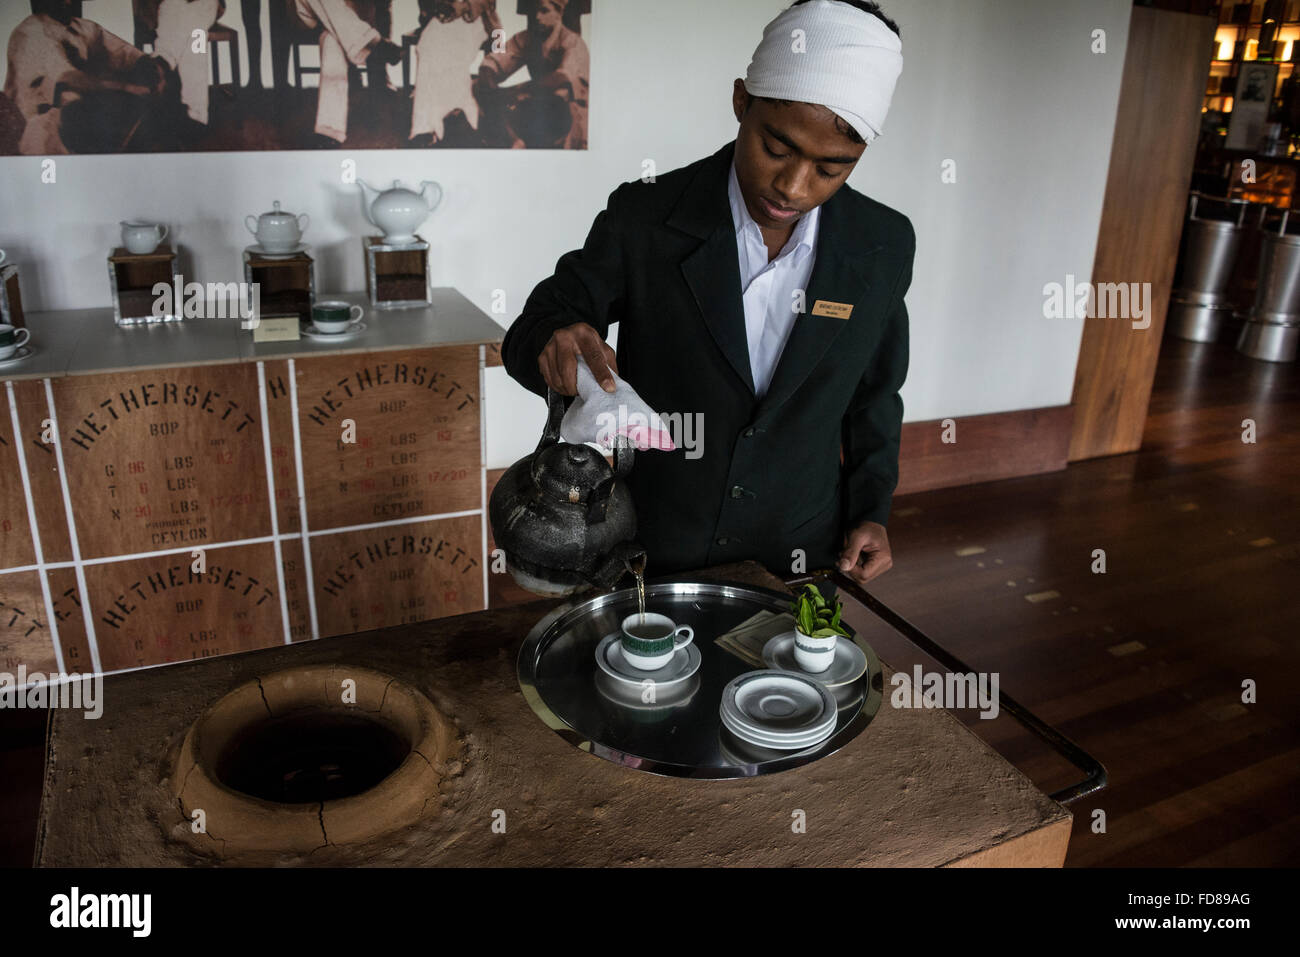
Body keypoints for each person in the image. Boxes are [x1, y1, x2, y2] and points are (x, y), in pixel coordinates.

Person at [501, 0, 913, 586]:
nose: (793, 188)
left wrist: (871, 510)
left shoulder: (883, 245)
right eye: (777, 147)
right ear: (742, 101)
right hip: (653, 546)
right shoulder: (646, 217)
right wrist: (554, 337)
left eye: (831, 168)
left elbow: (876, 394)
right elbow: (539, 322)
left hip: (798, 550)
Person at [3, 0, 181, 154]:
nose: (69, 2)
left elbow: (128, 55)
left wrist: (157, 70)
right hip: (38, 131)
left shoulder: (83, 27)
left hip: (77, 123)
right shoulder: (31, 31)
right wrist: (131, 88)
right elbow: (70, 80)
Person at [474, 0, 587, 149]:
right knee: (477, 87)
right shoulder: (528, 38)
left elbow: (561, 77)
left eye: (544, 11)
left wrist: (514, 91)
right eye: (534, 12)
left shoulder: (572, 41)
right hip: (536, 100)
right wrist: (489, 82)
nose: (537, 17)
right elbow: (495, 61)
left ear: (559, 13)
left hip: (569, 108)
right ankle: (514, 142)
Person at [292, 0, 402, 143]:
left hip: (347, 16)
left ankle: (330, 131)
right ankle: (372, 43)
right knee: (338, 25)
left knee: (333, 39)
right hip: (309, 12)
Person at [409, 0, 502, 146]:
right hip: (444, 17)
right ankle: (425, 126)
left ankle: (457, 115)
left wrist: (466, 4)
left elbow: (490, 6)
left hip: (475, 19)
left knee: (452, 55)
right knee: (426, 47)